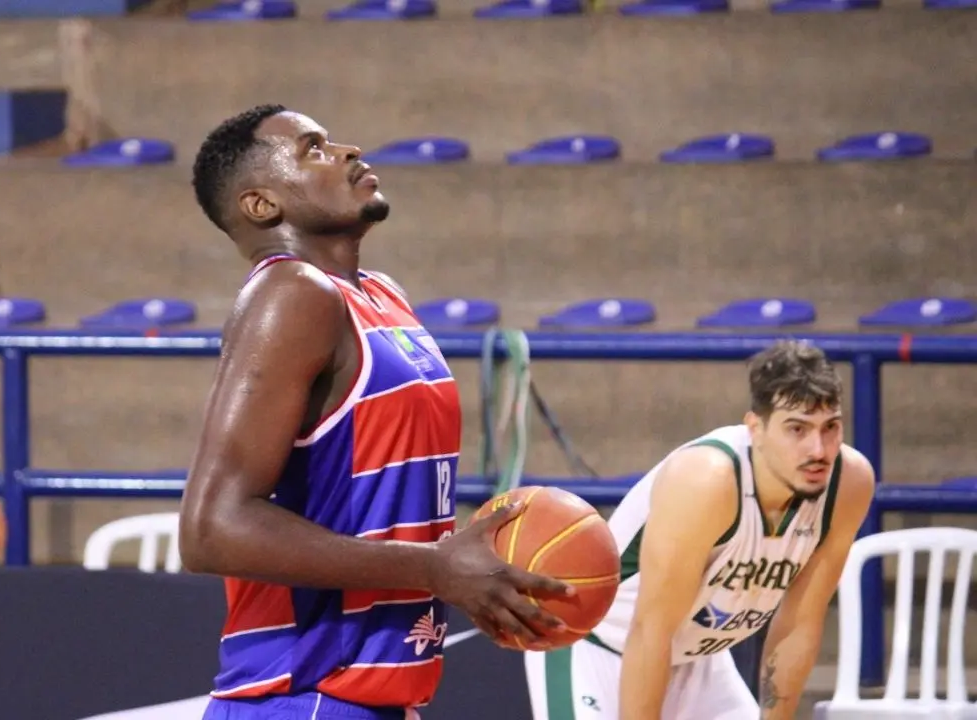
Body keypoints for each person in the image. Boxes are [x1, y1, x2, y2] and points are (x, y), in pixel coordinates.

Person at [178, 104, 574, 720]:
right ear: (261, 205)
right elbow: (210, 530)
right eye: (313, 149)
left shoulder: (381, 295)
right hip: (302, 696)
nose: (347, 150)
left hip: (377, 697)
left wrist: (466, 575)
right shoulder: (292, 295)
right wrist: (434, 569)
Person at [527, 339, 875, 720]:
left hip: (699, 659)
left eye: (831, 428)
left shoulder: (849, 483)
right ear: (755, 428)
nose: (818, 449)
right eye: (797, 429)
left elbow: (799, 623)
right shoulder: (707, 480)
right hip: (601, 648)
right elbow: (650, 630)